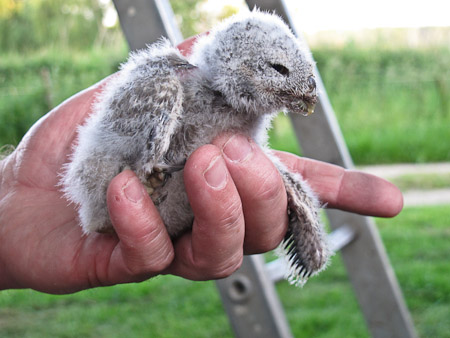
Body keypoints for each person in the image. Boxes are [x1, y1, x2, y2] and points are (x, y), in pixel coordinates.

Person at [0, 37, 403, 295]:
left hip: (151, 207)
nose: (298, 96)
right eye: (278, 73)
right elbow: (108, 155)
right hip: (116, 188)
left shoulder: (244, 125)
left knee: (249, 179)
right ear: (235, 60)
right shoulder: (170, 79)